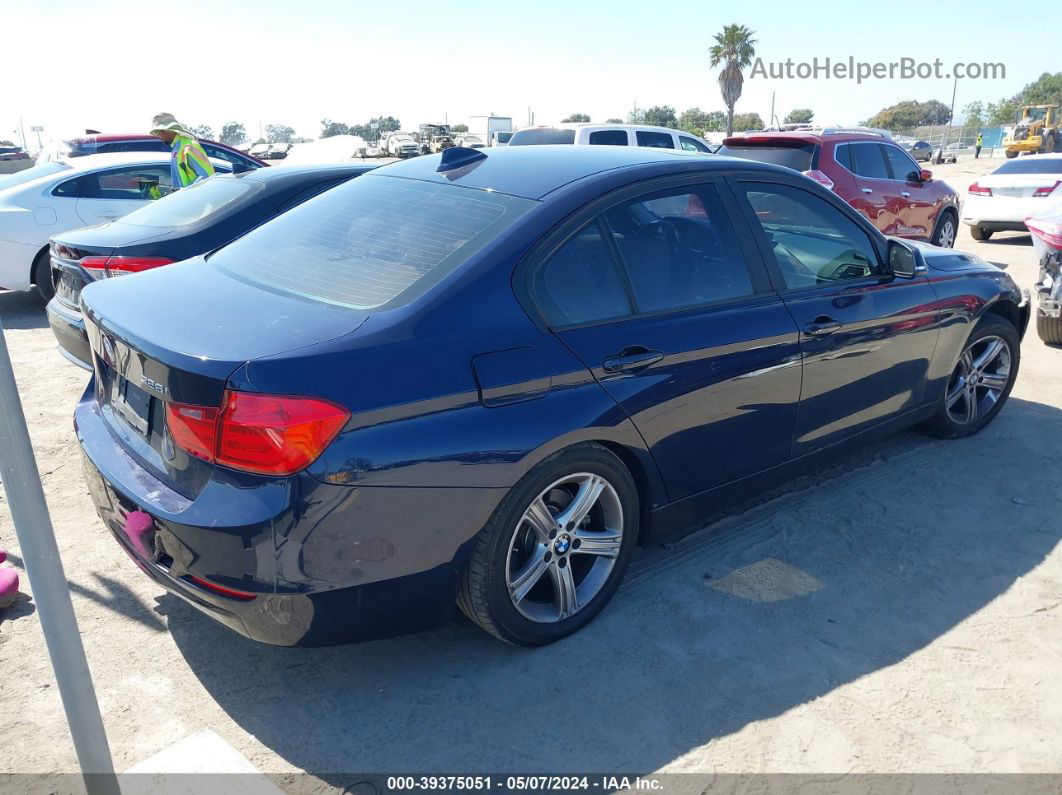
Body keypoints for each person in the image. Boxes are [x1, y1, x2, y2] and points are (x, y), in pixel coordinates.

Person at [148, 112, 214, 194]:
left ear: (167, 130)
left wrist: (184, 193)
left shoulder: (189, 147)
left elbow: (207, 178)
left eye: (158, 132)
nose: (158, 136)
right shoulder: (177, 147)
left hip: (194, 200)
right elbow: (181, 178)